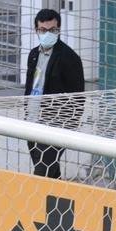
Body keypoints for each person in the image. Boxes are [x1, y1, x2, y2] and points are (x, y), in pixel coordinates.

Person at [23, 9, 85, 179]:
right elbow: (30, 86)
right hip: (32, 121)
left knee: (42, 173)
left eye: (52, 30)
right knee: (50, 172)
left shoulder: (69, 58)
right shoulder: (34, 54)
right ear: (36, 30)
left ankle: (37, 205)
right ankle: (58, 203)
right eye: (43, 30)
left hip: (55, 126)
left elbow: (78, 97)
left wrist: (67, 127)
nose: (47, 34)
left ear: (59, 30)